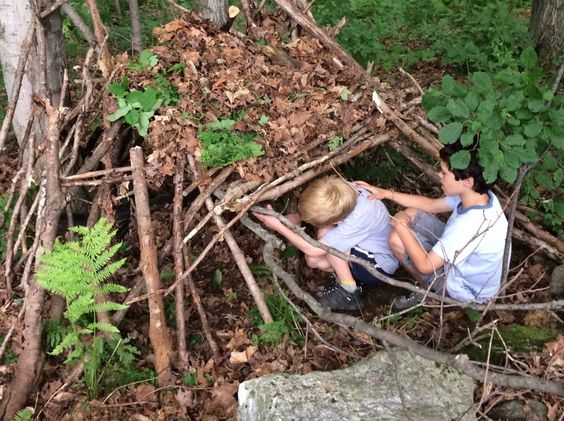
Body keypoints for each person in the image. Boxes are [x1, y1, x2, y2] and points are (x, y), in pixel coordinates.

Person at [356, 140, 509, 310]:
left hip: (467, 291)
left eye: (444, 173)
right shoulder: (480, 196)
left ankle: (429, 292)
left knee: (396, 239)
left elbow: (425, 266)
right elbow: (431, 205)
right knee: (412, 213)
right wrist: (386, 194)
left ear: (467, 181)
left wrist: (401, 226)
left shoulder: (468, 225)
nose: (439, 174)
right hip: (472, 269)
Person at [253, 175, 399, 311]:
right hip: (368, 248)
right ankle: (350, 280)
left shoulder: (358, 219)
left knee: (326, 245)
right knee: (315, 260)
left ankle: (349, 292)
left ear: (337, 221)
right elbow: (322, 209)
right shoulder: (343, 190)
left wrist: (279, 226)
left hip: (378, 266)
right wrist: (294, 217)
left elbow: (314, 249)